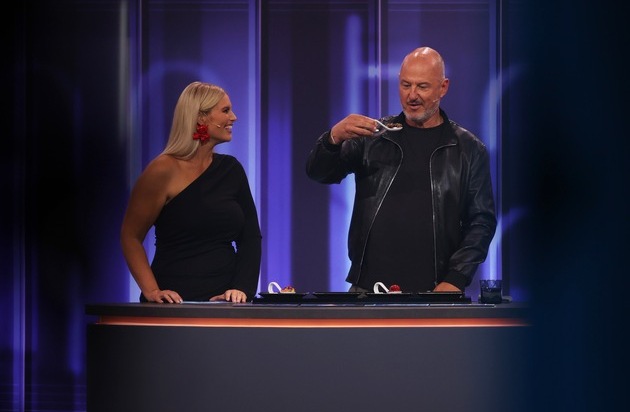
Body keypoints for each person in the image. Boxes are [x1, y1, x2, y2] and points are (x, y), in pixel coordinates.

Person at [305, 46, 496, 294]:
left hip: (435, 291)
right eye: (406, 85)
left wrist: (456, 278)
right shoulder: (373, 137)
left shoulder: (468, 149)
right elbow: (319, 173)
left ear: (443, 87)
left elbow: (481, 222)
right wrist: (333, 138)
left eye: (422, 86)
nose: (412, 95)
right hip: (367, 289)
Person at [120, 81, 262, 303]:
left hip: (224, 304)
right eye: (225, 111)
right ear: (201, 118)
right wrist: (152, 291)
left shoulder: (231, 170)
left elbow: (250, 237)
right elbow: (130, 236)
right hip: (172, 303)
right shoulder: (162, 170)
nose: (233, 117)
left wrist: (241, 289)